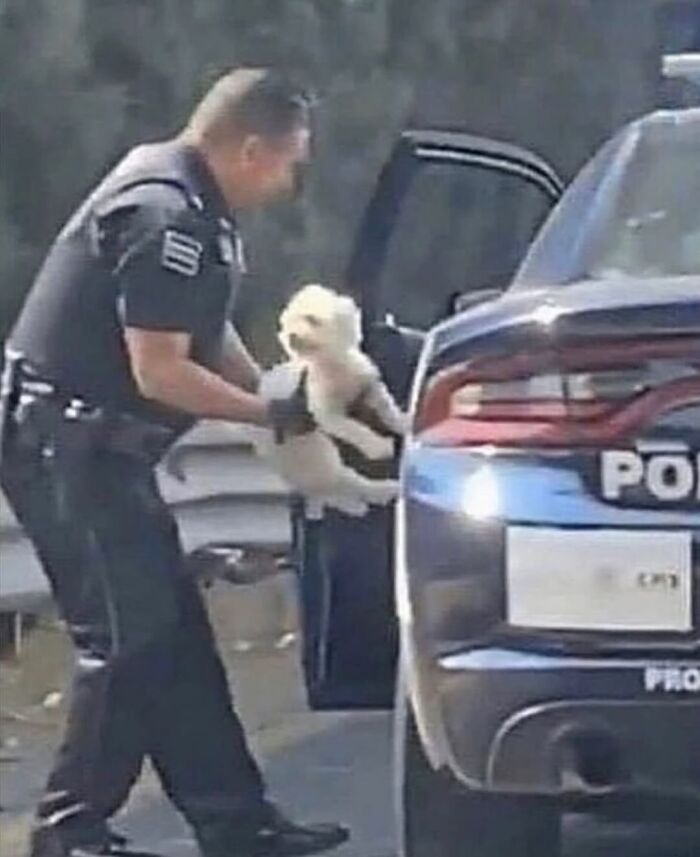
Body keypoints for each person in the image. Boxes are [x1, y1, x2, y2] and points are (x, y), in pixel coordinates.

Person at [0, 69, 349, 857]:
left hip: (99, 450)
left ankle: (238, 823)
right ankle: (67, 830)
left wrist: (268, 395)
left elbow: (202, 327)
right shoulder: (165, 214)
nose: (294, 181)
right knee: (125, 640)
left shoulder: (192, 203)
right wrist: (270, 413)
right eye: (291, 162)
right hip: (66, 445)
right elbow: (159, 368)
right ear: (251, 147)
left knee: (175, 635)